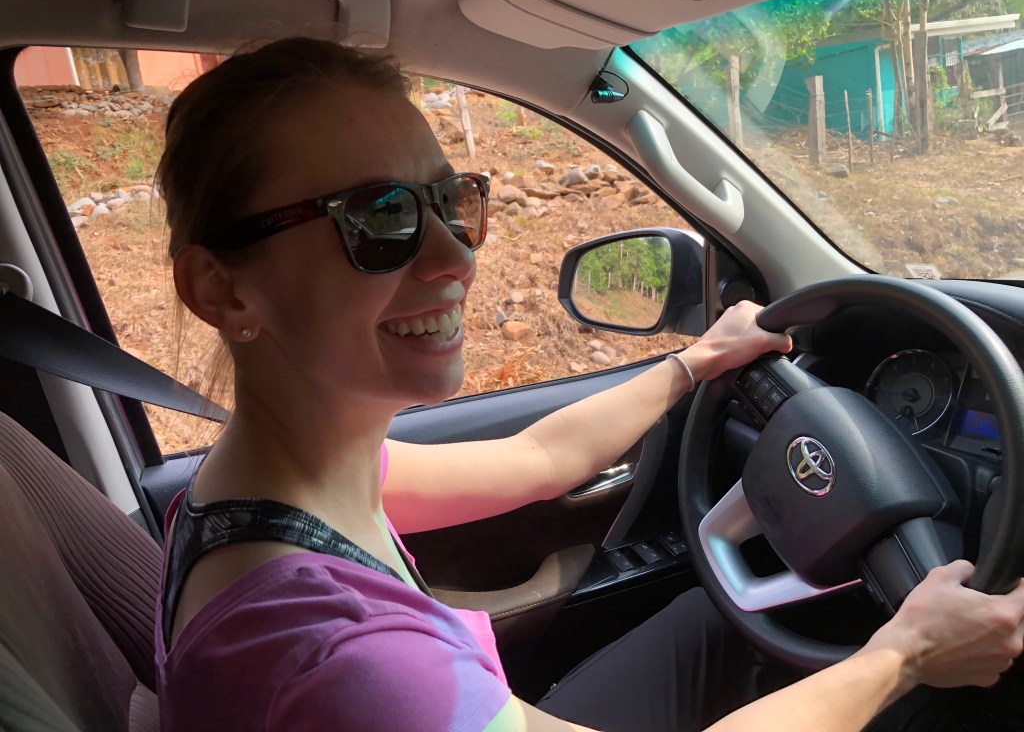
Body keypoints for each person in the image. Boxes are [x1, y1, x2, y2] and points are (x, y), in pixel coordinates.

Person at [154, 37, 1024, 732]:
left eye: (450, 200)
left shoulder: (265, 487)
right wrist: (904, 657)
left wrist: (692, 363)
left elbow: (538, 457)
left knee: (710, 624)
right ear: (221, 289)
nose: (455, 256)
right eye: (377, 218)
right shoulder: (349, 665)